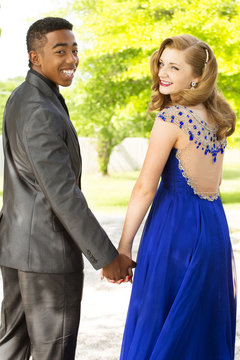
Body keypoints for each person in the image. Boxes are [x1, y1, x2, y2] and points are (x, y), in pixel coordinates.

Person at [0, 17, 135, 360]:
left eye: (74, 50)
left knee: (12, 348)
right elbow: (62, 194)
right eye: (60, 51)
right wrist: (107, 257)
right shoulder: (39, 108)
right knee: (53, 351)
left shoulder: (24, 96)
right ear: (35, 57)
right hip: (46, 255)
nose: (72, 59)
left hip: (17, 250)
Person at [111, 35, 237, 359]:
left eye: (174, 67)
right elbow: (215, 180)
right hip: (213, 227)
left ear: (196, 76)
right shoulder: (218, 116)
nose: (162, 73)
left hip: (174, 228)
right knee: (200, 322)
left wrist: (124, 248)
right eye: (162, 64)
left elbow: (144, 188)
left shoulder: (171, 118)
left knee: (159, 318)